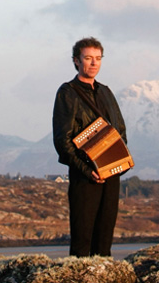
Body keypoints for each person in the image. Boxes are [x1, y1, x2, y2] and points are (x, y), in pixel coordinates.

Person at [52, 37, 127, 257]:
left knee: (104, 241)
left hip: (111, 175)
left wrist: (116, 162)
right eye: (88, 58)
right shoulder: (67, 92)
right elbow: (62, 141)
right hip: (84, 177)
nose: (94, 63)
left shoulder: (106, 92)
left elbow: (120, 132)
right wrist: (87, 170)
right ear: (76, 61)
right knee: (82, 243)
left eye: (98, 58)